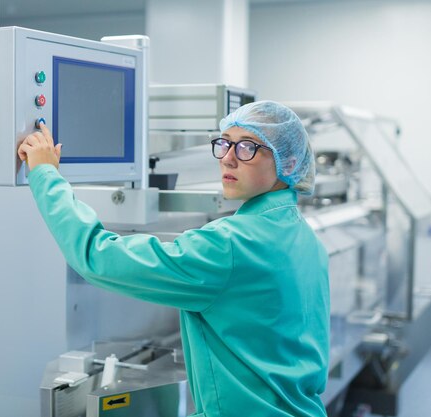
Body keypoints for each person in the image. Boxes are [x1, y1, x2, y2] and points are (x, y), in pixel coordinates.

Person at [17, 100, 330, 417]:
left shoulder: (229, 245)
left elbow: (95, 256)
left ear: (288, 164)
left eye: (247, 147)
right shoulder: (307, 239)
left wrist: (44, 173)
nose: (228, 159)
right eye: (224, 144)